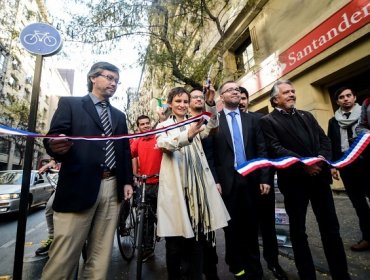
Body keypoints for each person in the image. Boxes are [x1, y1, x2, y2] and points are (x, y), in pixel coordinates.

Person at [41, 62, 133, 280]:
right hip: (77, 187)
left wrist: (127, 181)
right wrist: (54, 145)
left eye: (116, 80)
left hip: (112, 188)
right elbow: (53, 137)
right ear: (93, 77)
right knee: (63, 258)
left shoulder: (119, 116)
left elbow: (124, 150)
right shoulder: (71, 104)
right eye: (109, 78)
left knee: (100, 258)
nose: (114, 83)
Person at [260, 80, 350, 280]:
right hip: (294, 183)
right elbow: (275, 149)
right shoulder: (268, 121)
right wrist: (304, 166)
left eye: (293, 91)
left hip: (319, 179)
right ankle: (307, 274)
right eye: (286, 92)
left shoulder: (306, 115)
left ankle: (341, 274)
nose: (292, 94)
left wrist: (320, 161)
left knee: (331, 229)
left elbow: (324, 140)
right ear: (276, 99)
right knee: (298, 232)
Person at [156, 87, 230, 280]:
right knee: (174, 243)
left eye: (184, 101)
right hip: (176, 191)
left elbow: (212, 126)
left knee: (198, 238)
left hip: (198, 192)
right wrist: (187, 134)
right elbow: (164, 145)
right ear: (170, 103)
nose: (182, 105)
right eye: (178, 101)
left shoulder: (195, 121)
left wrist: (211, 104)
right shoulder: (162, 125)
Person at [212, 81, 271, 280]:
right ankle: (237, 267)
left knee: (251, 227)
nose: (236, 92)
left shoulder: (253, 120)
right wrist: (215, 180)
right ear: (222, 97)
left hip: (252, 180)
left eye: (238, 89)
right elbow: (210, 155)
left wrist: (264, 177)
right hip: (227, 183)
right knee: (232, 229)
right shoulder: (214, 121)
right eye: (230, 90)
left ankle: (255, 270)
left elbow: (262, 149)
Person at [239, 86, 288, 280]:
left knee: (268, 227)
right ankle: (252, 267)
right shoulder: (225, 122)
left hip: (261, 184)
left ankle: (273, 263)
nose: (241, 101)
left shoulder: (259, 119)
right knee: (247, 229)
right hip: (240, 187)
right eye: (239, 97)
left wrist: (266, 178)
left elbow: (267, 152)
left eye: (244, 98)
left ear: (248, 100)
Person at [328, 87, 370, 252]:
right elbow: (331, 143)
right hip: (346, 166)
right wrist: (332, 165)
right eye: (341, 97)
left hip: (367, 164)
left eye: (348, 95)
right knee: (359, 204)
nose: (345, 99)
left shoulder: (365, 114)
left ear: (354, 97)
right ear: (337, 101)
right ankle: (367, 237)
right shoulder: (333, 121)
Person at [189, 87, 221, 280]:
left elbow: (213, 127)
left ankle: (212, 271)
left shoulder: (208, 119)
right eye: (195, 97)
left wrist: (211, 103)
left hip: (209, 181)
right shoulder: (181, 122)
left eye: (201, 97)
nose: (199, 99)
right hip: (188, 185)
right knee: (192, 233)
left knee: (209, 232)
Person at [130, 115, 163, 261]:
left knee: (163, 215)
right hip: (144, 184)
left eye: (147, 123)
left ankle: (162, 230)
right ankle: (148, 249)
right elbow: (127, 154)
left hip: (161, 183)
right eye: (142, 124)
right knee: (145, 217)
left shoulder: (159, 137)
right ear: (138, 127)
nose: (145, 126)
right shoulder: (137, 141)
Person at [35, 159, 59, 256]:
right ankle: (52, 237)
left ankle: (85, 240)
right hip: (64, 184)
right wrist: (47, 166)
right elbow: (54, 160)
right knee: (50, 207)